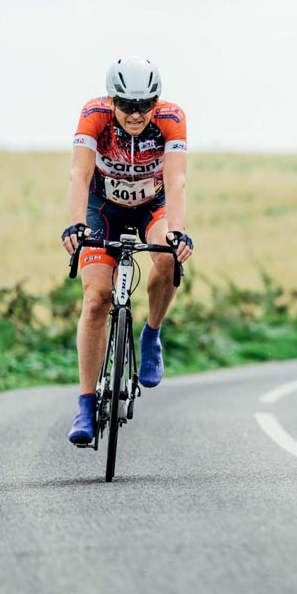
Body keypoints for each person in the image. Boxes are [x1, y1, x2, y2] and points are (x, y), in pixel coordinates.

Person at [59, 56, 194, 445]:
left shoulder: (171, 118)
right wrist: (75, 224)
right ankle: (85, 404)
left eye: (145, 104)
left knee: (168, 258)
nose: (136, 114)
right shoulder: (94, 114)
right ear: (112, 99)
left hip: (154, 203)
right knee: (97, 298)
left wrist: (178, 232)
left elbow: (177, 179)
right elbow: (79, 174)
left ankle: (151, 334)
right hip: (103, 208)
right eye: (127, 105)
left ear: (156, 100)